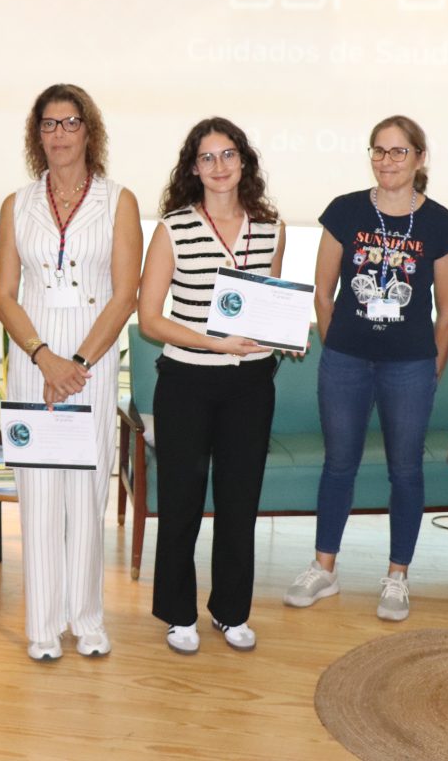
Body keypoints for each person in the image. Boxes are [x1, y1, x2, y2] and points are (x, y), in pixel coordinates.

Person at [284, 115, 448, 621]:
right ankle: (324, 568)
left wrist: (431, 369)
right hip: (346, 360)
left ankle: (397, 576)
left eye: (399, 151)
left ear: (420, 158)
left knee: (405, 470)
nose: (387, 161)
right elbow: (323, 293)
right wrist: (338, 345)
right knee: (338, 464)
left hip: (410, 366)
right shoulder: (345, 211)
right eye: (379, 151)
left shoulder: (440, 223)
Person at [0, 83, 141, 661]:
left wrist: (76, 363)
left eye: (70, 122)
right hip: (33, 362)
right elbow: (4, 295)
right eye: (48, 124)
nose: (59, 134)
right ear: (37, 135)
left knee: (86, 492)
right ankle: (43, 625)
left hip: (91, 364)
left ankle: (87, 620)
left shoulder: (118, 200)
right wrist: (42, 356)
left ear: (89, 130)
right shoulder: (17, 204)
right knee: (37, 493)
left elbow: (125, 295)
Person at [137, 117, 285, 654]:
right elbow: (150, 319)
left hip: (251, 385)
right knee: (181, 502)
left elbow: (269, 305)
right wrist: (214, 343)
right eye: (207, 157)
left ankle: (231, 611)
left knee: (240, 503)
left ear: (244, 162)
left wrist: (284, 336)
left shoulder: (271, 227)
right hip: (187, 383)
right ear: (193, 168)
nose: (219, 166)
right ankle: (179, 614)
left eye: (228, 155)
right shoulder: (173, 229)